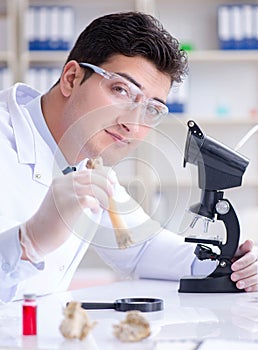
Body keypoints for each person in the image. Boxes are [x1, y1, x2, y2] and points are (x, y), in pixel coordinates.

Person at [0, 12, 257, 303]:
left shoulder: (86, 160)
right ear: (71, 78)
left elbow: (140, 247)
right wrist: (26, 243)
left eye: (151, 109)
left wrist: (226, 261)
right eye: (121, 90)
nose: (133, 125)